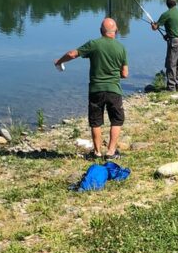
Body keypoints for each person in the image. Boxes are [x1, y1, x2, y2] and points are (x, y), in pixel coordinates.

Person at [54, 17, 129, 159]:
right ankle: (111, 152)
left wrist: (59, 61)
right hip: (114, 90)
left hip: (96, 90)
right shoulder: (121, 48)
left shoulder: (94, 44)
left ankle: (97, 152)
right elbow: (125, 74)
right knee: (117, 120)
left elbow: (72, 54)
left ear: (101, 31)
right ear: (116, 31)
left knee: (96, 121)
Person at [152, 0, 178, 92]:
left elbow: (155, 27)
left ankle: (171, 87)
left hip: (175, 42)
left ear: (167, 4)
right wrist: (167, 35)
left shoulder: (166, 14)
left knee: (171, 63)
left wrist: (153, 24)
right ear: (176, 3)